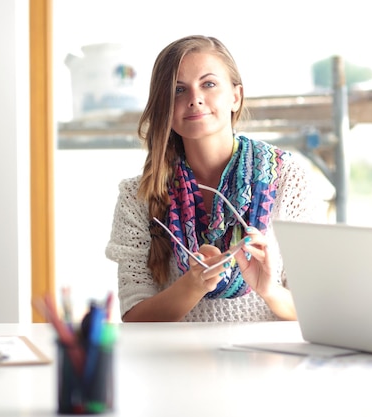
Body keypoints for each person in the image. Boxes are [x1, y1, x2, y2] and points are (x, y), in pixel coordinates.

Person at [105, 35, 324, 322]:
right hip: (174, 363)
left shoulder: (288, 178)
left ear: (235, 97)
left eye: (208, 84)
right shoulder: (138, 196)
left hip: (267, 362)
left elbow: (317, 310)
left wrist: (269, 290)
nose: (194, 98)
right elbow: (134, 317)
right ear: (164, 107)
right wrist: (192, 285)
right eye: (178, 90)